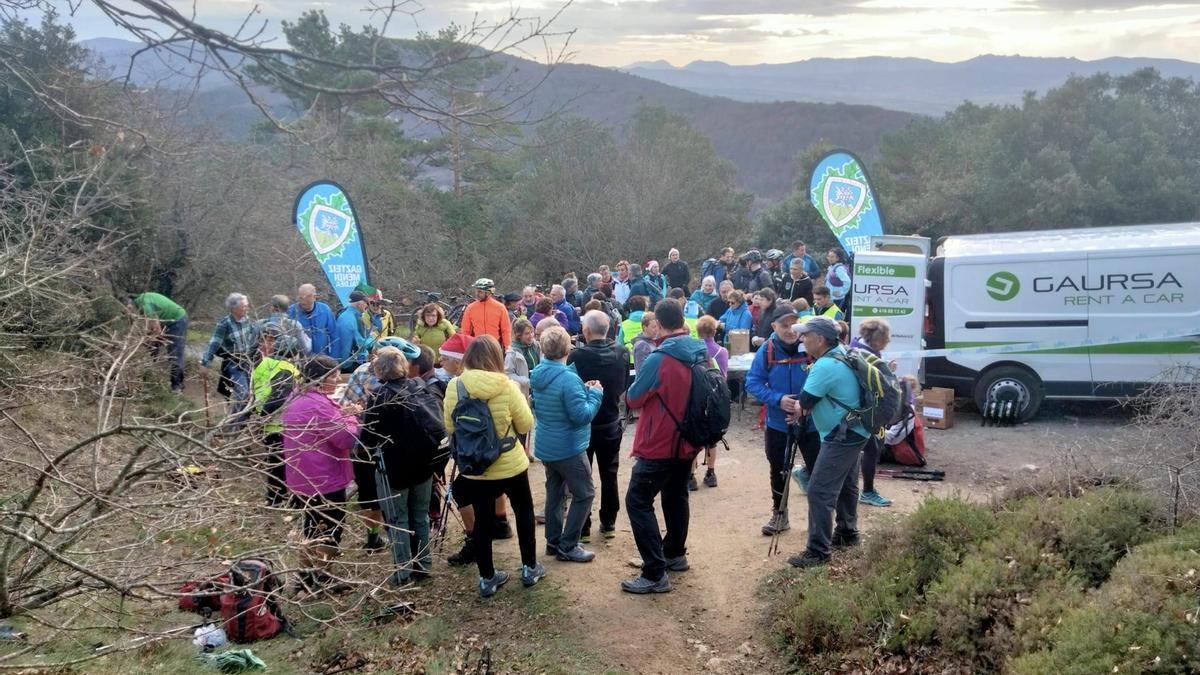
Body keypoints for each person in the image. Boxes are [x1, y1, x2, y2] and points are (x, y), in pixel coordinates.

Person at [442, 336, 542, 597]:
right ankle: (530, 567)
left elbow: (451, 427)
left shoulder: (455, 386)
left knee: (483, 520)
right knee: (524, 512)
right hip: (510, 463)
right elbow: (526, 425)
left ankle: (487, 578)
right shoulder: (507, 386)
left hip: (476, 467)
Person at [621, 299, 705, 594]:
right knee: (675, 495)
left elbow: (633, 398)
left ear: (658, 322)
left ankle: (655, 572)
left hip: (659, 442)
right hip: (689, 439)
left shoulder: (660, 358)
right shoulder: (698, 351)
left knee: (637, 501)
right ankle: (674, 554)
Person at [788, 317, 869, 569]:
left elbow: (805, 401)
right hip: (857, 428)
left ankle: (818, 551)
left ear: (820, 339)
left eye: (806, 335)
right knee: (846, 484)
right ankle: (847, 532)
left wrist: (798, 407)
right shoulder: (843, 353)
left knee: (819, 490)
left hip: (842, 434)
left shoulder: (824, 365)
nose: (802, 339)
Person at [361, 346, 445, 584]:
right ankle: (423, 564)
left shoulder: (379, 397)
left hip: (395, 469)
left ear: (380, 370)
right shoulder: (418, 385)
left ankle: (403, 573)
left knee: (398, 521)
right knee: (419, 515)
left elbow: (368, 439)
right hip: (424, 464)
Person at [283, 354, 359, 593]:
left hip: (302, 476)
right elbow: (345, 438)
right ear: (320, 379)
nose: (338, 380)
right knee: (330, 529)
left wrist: (341, 413)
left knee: (311, 527)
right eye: (335, 375)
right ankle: (323, 578)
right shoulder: (317, 405)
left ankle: (305, 576)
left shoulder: (297, 397)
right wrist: (352, 416)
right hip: (323, 478)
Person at [746, 303, 821, 536]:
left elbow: (828, 379)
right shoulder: (767, 349)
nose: (790, 330)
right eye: (784, 325)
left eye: (793, 325)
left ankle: (820, 522)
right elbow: (753, 382)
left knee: (817, 470)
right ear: (773, 326)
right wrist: (778, 400)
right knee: (778, 468)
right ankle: (780, 514)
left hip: (811, 423)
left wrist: (806, 405)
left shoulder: (811, 347)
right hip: (778, 422)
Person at [531, 326, 603, 562]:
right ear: (567, 349)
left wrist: (582, 388)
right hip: (569, 448)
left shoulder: (539, 373)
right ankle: (569, 545)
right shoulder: (567, 379)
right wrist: (595, 394)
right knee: (585, 494)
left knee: (555, 493)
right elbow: (581, 415)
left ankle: (553, 542)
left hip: (547, 447)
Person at [568, 310, 628, 542]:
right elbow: (624, 385)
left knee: (583, 476)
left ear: (586, 331)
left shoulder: (577, 356)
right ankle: (609, 522)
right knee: (609, 473)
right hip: (610, 420)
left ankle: (583, 526)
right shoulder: (622, 352)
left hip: (585, 422)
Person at [251, 327, 301, 506]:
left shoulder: (263, 365)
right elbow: (277, 399)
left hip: (267, 425)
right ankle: (283, 500)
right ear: (294, 353)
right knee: (286, 466)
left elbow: (254, 393)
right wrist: (265, 415)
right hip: (281, 425)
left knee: (274, 464)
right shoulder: (287, 369)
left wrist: (258, 418)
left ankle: (274, 498)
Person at [850, 318, 895, 508]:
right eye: (886, 340)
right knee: (870, 449)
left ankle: (808, 473)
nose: (887, 344)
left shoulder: (855, 348)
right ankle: (867, 491)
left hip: (855, 409)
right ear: (877, 340)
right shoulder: (867, 356)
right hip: (863, 410)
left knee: (859, 449)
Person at [201, 293, 258, 425]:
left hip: (248, 363)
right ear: (234, 308)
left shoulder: (248, 320)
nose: (247, 308)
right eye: (244, 306)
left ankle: (239, 425)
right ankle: (232, 426)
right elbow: (213, 343)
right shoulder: (224, 324)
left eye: (247, 306)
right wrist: (205, 363)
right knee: (243, 394)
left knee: (252, 395)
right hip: (233, 364)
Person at [125, 291, 189, 391]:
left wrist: (149, 340)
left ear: (129, 306)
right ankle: (149, 376)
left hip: (177, 320)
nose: (129, 314)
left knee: (174, 353)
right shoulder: (141, 300)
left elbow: (156, 330)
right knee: (151, 346)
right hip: (167, 320)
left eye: (128, 311)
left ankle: (176, 387)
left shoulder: (144, 304)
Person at [693, 315, 728, 489]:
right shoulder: (722, 352)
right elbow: (724, 376)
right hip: (716, 400)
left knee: (693, 438)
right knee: (712, 439)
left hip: (697, 398)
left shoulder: (693, 350)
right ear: (714, 331)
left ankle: (691, 476)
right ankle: (711, 473)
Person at [461, 278, 513, 350]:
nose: (477, 294)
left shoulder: (500, 307)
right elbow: (465, 331)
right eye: (476, 291)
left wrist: (508, 348)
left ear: (488, 293)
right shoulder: (470, 308)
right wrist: (465, 348)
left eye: (480, 292)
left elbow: (506, 330)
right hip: (477, 347)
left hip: (494, 347)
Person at [289, 284, 337, 356]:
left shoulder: (324, 310)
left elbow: (334, 335)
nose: (302, 301)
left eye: (306, 298)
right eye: (300, 298)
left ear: (314, 297)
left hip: (322, 358)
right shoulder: (291, 312)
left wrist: (334, 358)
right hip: (301, 359)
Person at [333, 290, 373, 372]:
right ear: (359, 303)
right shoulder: (354, 318)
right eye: (366, 303)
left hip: (341, 360)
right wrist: (372, 338)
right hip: (350, 363)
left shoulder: (343, 314)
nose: (367, 306)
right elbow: (361, 343)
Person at [505, 318, 539, 401]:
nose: (531, 335)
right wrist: (526, 381)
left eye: (532, 332)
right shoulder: (512, 353)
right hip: (524, 391)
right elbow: (508, 374)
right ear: (519, 335)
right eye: (527, 333)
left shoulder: (536, 346)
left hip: (537, 388)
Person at [618, 296, 650, 360]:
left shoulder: (624, 324)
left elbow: (620, 343)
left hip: (630, 358)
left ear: (630, 309)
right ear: (645, 308)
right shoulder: (651, 322)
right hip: (648, 356)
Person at [826, 248, 852, 315]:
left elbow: (847, 281)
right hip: (832, 297)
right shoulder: (833, 267)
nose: (829, 258)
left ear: (837, 258)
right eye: (829, 256)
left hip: (836, 298)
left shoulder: (839, 268)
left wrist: (841, 292)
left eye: (832, 257)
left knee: (833, 315)